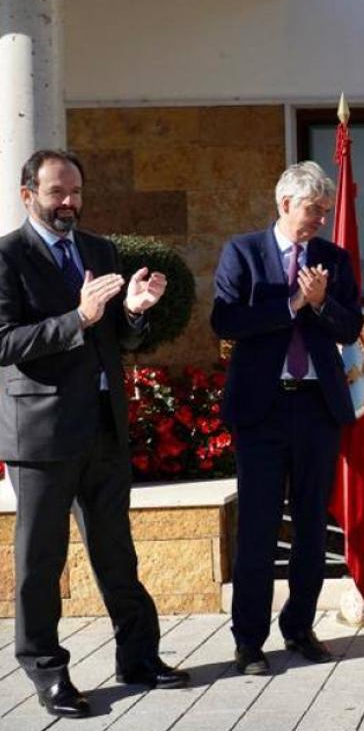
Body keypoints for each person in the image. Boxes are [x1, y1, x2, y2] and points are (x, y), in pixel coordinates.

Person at [0, 149, 185, 719]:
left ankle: (139, 657)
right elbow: (5, 343)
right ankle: (46, 670)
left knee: (116, 551)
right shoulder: (7, 256)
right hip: (42, 435)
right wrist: (76, 318)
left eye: (75, 191)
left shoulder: (100, 250)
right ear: (28, 194)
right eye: (57, 192)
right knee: (40, 560)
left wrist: (133, 313)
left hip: (104, 428)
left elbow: (115, 343)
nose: (69, 203)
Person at [211, 161, 364, 675]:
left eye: (326, 209)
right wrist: (295, 301)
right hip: (261, 409)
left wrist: (321, 305)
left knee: (310, 528)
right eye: (312, 209)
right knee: (257, 528)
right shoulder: (244, 253)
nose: (321, 218)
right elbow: (226, 319)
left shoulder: (333, 259)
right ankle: (249, 641)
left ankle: (299, 626)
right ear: (283, 205)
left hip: (316, 407)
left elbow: (351, 327)